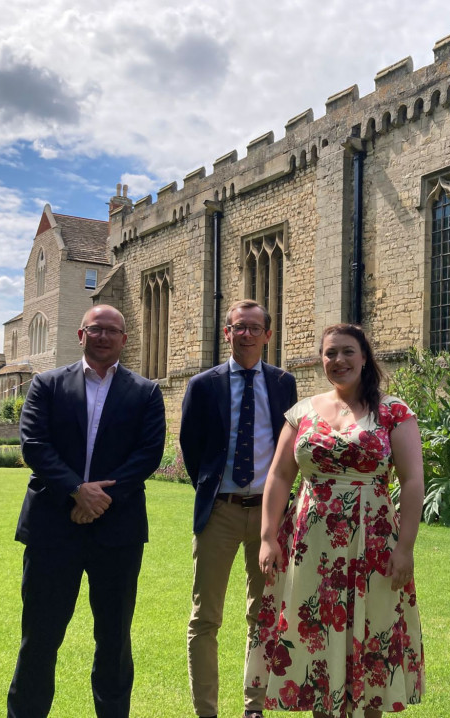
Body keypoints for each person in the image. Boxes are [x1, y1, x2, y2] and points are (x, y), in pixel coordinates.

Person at [249, 323, 426, 718]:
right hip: (312, 546)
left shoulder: (393, 411)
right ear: (321, 360)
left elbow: (413, 481)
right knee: (317, 635)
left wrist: (406, 547)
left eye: (348, 352)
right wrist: (267, 537)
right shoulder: (302, 412)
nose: (338, 360)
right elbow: (279, 476)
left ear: (365, 357)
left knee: (372, 633)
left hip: (374, 542)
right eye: (330, 353)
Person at [7, 304, 166, 718]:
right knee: (39, 638)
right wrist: (77, 491)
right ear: (81, 335)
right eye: (96, 329)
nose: (103, 336)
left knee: (114, 641)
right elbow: (35, 446)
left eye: (113, 331)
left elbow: (147, 454)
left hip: (117, 533)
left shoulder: (145, 391)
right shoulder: (46, 384)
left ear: (124, 340)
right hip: (52, 530)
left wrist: (98, 499)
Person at [180, 300, 298, 718]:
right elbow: (192, 450)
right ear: (226, 334)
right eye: (237, 328)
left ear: (268, 334)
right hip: (220, 513)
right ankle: (206, 711)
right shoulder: (203, 385)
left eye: (254, 327)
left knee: (264, 615)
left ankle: (254, 708)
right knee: (205, 618)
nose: (245, 334)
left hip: (271, 515)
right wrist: (217, 491)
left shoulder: (284, 383)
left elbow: (289, 450)